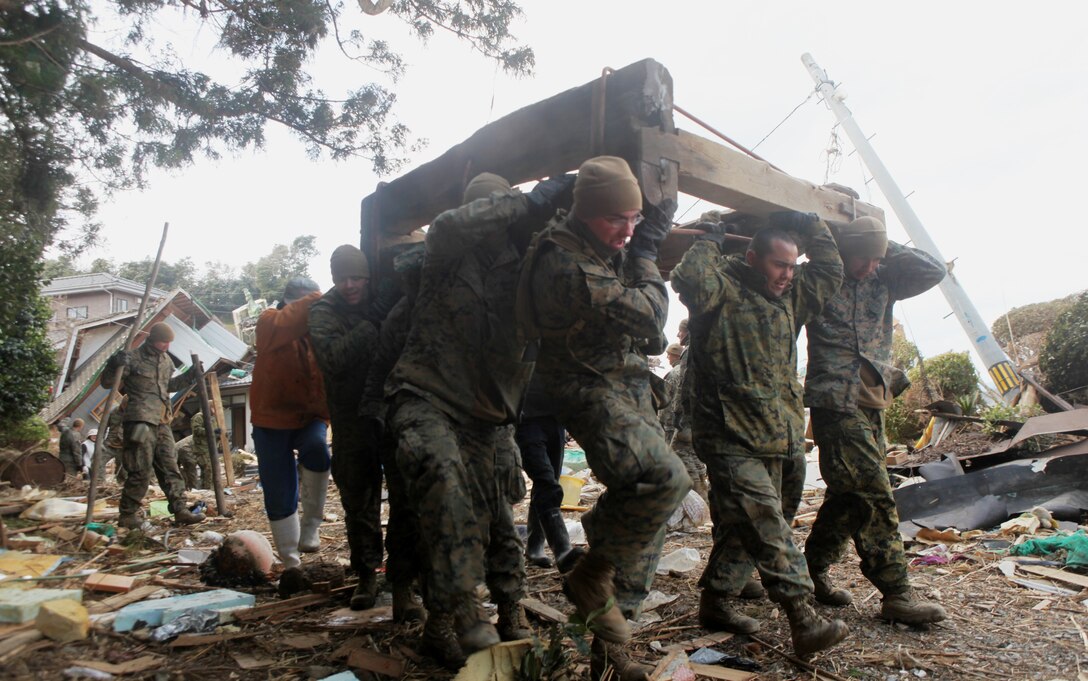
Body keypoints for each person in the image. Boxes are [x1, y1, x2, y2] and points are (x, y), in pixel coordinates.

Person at [385, 172, 570, 667]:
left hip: (488, 418)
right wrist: (524, 200)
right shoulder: (443, 257)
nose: (496, 224)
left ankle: (502, 613)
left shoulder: (522, 263)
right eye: (491, 212)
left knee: (498, 519)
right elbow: (447, 227)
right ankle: (464, 612)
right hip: (427, 397)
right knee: (444, 482)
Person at [519, 156, 690, 679]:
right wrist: (647, 250)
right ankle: (588, 570)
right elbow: (650, 315)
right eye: (617, 218)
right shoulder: (567, 266)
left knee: (646, 518)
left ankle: (613, 655)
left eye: (636, 218)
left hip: (624, 380)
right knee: (666, 479)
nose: (628, 230)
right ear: (588, 213)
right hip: (587, 386)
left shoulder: (589, 236)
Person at [671, 212, 847, 657]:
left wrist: (808, 223)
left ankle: (715, 601)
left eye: (792, 265)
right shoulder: (721, 289)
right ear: (752, 258)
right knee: (766, 525)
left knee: (746, 526)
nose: (787, 275)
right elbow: (689, 280)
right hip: (731, 437)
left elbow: (830, 269)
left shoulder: (792, 296)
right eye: (778, 265)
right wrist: (709, 241)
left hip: (781, 435)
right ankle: (803, 618)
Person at [803, 216, 947, 625]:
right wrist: (837, 237)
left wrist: (876, 239)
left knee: (848, 495)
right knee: (874, 491)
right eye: (861, 257)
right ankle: (896, 592)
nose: (868, 265)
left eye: (875, 258)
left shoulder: (884, 279)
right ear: (843, 249)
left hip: (873, 399)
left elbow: (932, 270)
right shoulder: (821, 278)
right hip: (835, 401)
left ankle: (810, 569)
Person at [250, 277, 330, 570]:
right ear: (290, 303)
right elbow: (289, 322)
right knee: (279, 489)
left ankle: (311, 527)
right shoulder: (269, 321)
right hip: (271, 417)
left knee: (318, 448)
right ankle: (291, 563)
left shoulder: (318, 328)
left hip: (310, 414)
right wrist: (323, 297)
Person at [101, 323, 205, 528]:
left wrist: (191, 374)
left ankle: (180, 510)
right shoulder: (132, 358)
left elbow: (169, 386)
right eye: (163, 341)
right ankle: (128, 514)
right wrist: (113, 364)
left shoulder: (166, 361)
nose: (167, 346)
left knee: (170, 467)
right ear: (153, 339)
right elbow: (107, 383)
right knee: (140, 468)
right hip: (139, 420)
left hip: (162, 421)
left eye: (169, 343)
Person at [517, 374, 582, 572]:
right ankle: (562, 548)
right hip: (525, 419)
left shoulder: (561, 345)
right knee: (546, 481)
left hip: (555, 421)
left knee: (549, 481)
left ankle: (535, 544)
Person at [189, 411, 215, 489]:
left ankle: (206, 487)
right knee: (208, 468)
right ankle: (208, 488)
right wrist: (211, 431)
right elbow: (196, 430)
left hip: (209, 447)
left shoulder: (212, 418)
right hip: (201, 448)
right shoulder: (199, 417)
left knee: (209, 469)